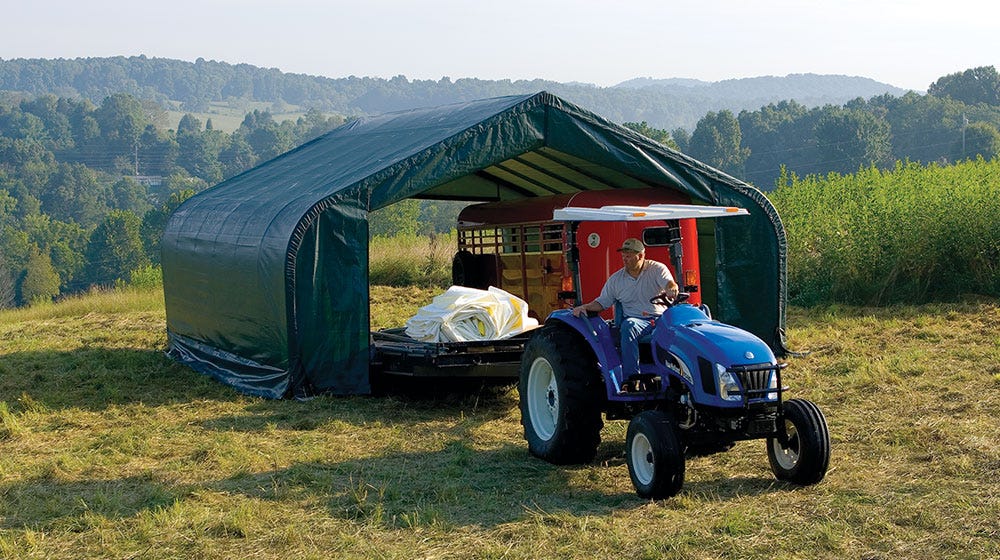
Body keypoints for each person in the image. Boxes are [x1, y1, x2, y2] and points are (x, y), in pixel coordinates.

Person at [572, 237, 679, 379]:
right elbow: (602, 302)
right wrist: (585, 307)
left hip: (661, 319)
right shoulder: (616, 280)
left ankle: (678, 374)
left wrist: (671, 288)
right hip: (638, 321)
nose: (624, 259)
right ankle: (632, 377)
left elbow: (669, 284)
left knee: (683, 330)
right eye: (623, 255)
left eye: (628, 256)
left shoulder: (657, 269)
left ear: (640, 256)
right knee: (629, 326)